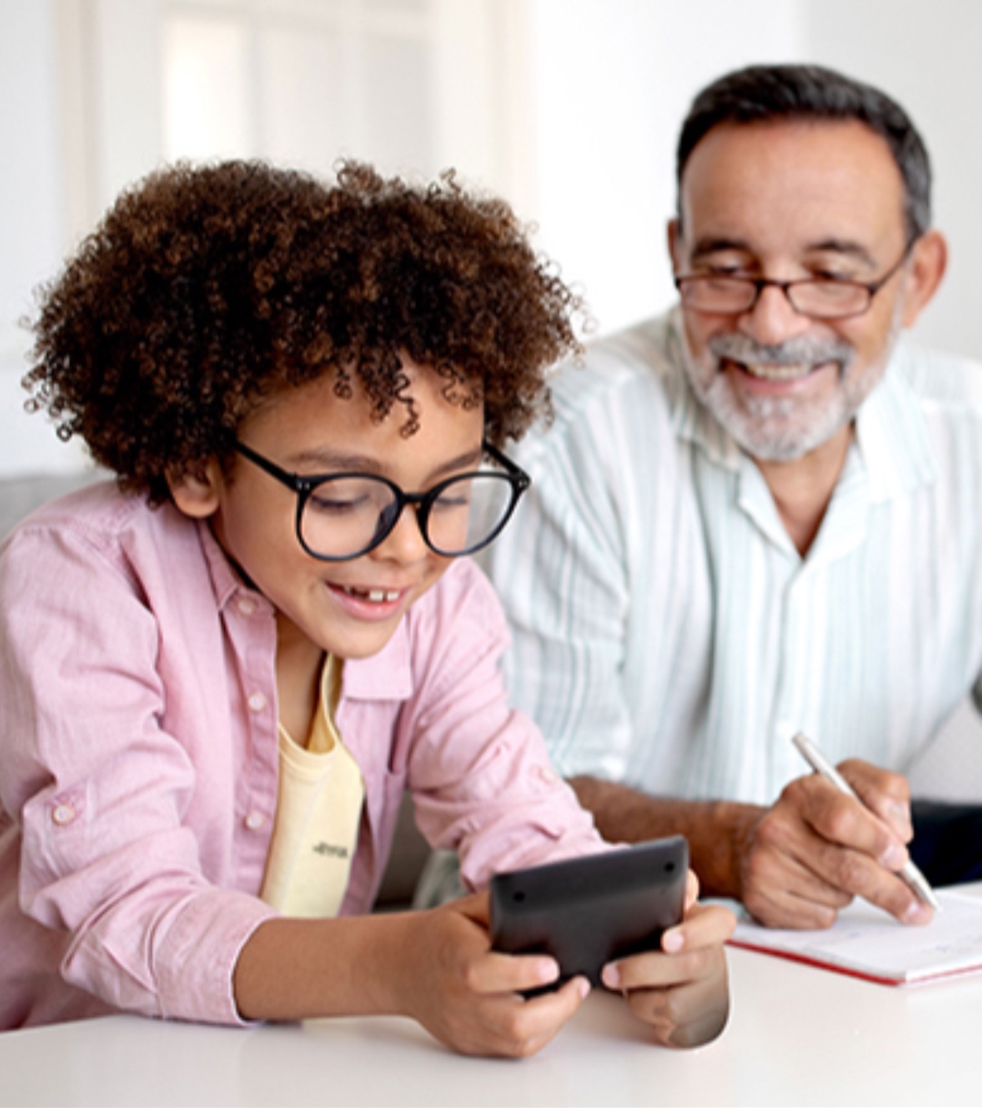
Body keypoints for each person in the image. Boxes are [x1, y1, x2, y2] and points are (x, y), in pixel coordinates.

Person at [0, 160, 732, 1052]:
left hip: (279, 1068)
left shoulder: (436, 605)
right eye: (345, 494)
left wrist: (649, 944)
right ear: (197, 460)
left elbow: (520, 818)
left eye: (452, 491)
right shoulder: (84, 581)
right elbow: (125, 914)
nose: (410, 547)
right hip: (63, 1064)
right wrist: (394, 966)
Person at [490, 63, 982, 930]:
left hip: (853, 866)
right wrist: (733, 842)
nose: (772, 325)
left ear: (919, 279)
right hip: (619, 891)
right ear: (677, 253)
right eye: (726, 268)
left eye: (831, 276)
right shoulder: (570, 438)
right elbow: (521, 800)